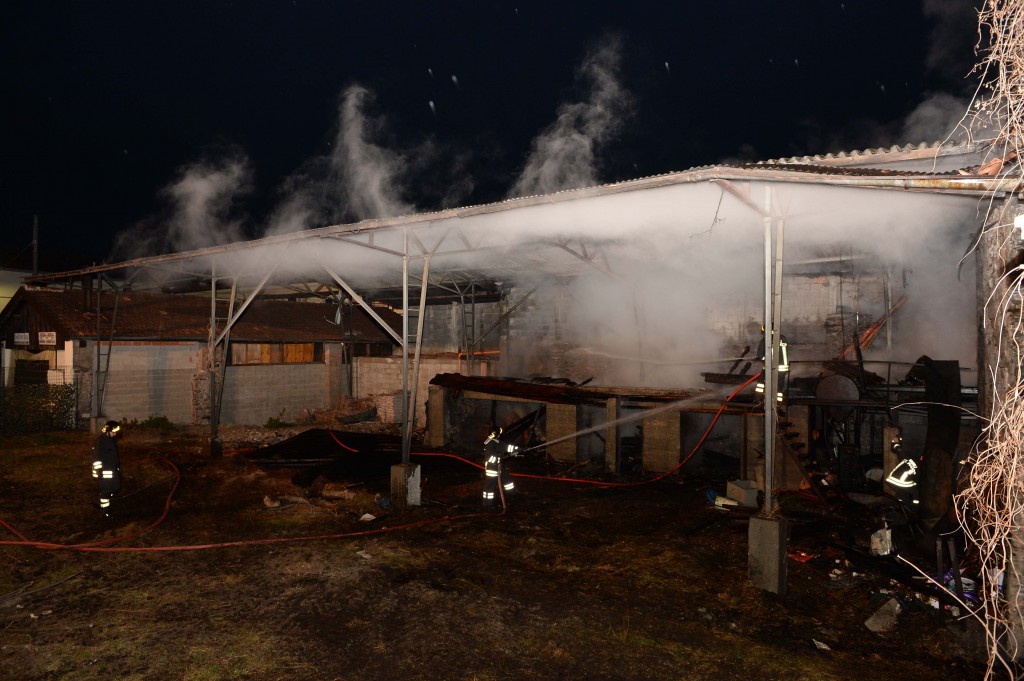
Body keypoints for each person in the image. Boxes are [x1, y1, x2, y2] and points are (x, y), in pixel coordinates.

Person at [481, 427, 518, 507]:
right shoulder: (490, 444)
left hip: (499, 466)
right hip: (492, 468)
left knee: (507, 479)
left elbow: (507, 447)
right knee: (490, 485)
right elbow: (490, 458)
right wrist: (500, 457)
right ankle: (487, 504)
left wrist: (518, 449)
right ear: (496, 434)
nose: (500, 435)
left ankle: (512, 494)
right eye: (499, 434)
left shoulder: (497, 442)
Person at [92, 420, 122, 517]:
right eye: (113, 432)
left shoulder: (112, 440)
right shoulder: (101, 442)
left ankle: (99, 500)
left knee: (116, 487)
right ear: (108, 431)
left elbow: (114, 456)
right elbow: (96, 458)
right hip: (105, 472)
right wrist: (97, 472)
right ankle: (105, 510)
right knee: (107, 490)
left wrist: (117, 468)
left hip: (113, 470)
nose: (115, 434)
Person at [755, 323, 789, 402]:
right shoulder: (783, 338)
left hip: (770, 367)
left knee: (761, 384)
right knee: (779, 388)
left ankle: (758, 400)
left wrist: (764, 360)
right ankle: (778, 404)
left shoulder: (766, 339)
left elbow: (760, 354)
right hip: (783, 368)